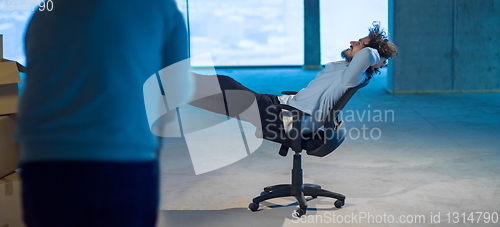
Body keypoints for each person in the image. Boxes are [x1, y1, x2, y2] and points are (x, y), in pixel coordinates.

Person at [15, 0, 191, 226]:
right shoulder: (159, 6)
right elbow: (177, 91)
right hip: (119, 156)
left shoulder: (45, 11)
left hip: (42, 159)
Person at [189, 22, 398, 138]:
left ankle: (174, 85)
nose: (353, 42)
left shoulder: (354, 77)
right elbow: (365, 56)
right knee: (224, 91)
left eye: (359, 43)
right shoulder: (347, 71)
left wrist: (379, 55)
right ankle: (176, 87)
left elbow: (368, 55)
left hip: (289, 118)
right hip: (283, 106)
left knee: (225, 89)